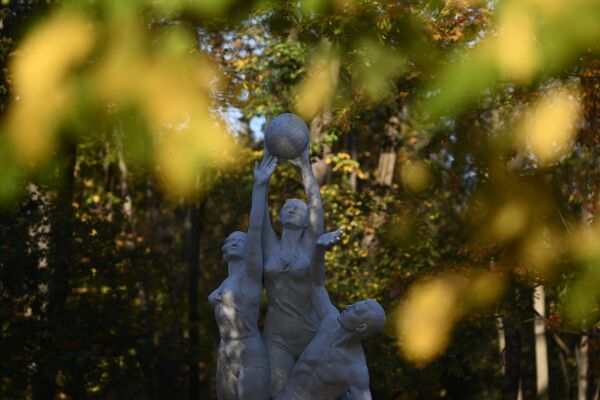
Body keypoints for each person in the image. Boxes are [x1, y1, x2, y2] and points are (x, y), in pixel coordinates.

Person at [275, 230, 386, 400]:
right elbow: (316, 284)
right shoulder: (330, 321)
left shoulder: (354, 367)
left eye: (355, 309)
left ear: (361, 326)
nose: (348, 306)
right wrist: (319, 251)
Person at [208, 156, 277, 400]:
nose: (237, 242)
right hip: (226, 350)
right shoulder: (224, 284)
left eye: (241, 240)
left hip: (250, 350)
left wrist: (260, 186)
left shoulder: (250, 275)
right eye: (231, 241)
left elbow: (256, 227)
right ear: (225, 252)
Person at [260, 146, 325, 397]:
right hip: (277, 337)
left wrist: (305, 167)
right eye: (287, 207)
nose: (290, 209)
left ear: (305, 219)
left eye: (297, 208)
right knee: (279, 393)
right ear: (280, 216)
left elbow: (316, 205)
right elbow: (259, 212)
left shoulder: (310, 245)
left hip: (309, 332)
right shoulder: (270, 246)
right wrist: (263, 175)